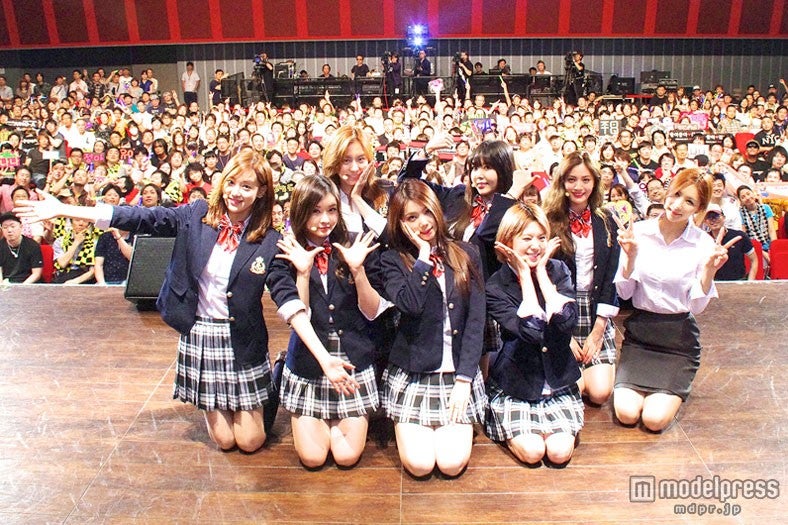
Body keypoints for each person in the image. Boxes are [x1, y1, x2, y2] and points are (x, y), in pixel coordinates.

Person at [14, 148, 280, 452]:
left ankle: (273, 378)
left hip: (242, 338)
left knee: (250, 442)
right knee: (225, 441)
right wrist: (65, 209)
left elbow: (283, 287)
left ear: (261, 192)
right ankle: (219, 398)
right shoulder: (196, 215)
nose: (235, 192)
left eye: (246, 186)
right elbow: (140, 216)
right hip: (201, 333)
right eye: (231, 182)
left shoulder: (268, 238)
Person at [267, 175, 389, 468]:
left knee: (346, 457)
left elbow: (372, 311)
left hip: (352, 358)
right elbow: (298, 317)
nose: (325, 219)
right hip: (309, 360)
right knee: (313, 458)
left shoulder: (355, 244)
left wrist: (358, 271)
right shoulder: (285, 251)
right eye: (315, 211)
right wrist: (302, 273)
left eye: (332, 210)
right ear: (300, 211)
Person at [613, 168, 739, 432]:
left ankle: (675, 385)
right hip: (640, 336)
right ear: (667, 192)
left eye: (689, 201)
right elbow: (624, 294)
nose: (677, 205)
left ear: (699, 208)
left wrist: (709, 270)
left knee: (654, 420)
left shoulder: (703, 244)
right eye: (676, 194)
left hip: (678, 341)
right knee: (626, 414)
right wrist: (630, 258)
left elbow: (696, 307)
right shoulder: (638, 232)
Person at [379, 179, 487, 476]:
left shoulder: (467, 253)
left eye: (427, 211)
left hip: (457, 375)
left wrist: (465, 379)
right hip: (415, 374)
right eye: (412, 217)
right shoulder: (392, 261)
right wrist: (423, 258)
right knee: (420, 464)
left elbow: (476, 321)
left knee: (451, 464)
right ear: (400, 223)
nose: (423, 222)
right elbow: (410, 304)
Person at [485, 202, 582, 465]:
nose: (536, 246)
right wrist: (526, 277)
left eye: (541, 238)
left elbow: (566, 323)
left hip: (558, 379)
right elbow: (531, 331)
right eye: (526, 238)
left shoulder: (558, 270)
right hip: (517, 382)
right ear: (508, 241)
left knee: (559, 453)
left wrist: (541, 273)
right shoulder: (495, 286)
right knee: (533, 452)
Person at [543, 153, 620, 405]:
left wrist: (598, 331)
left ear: (595, 182)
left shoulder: (606, 220)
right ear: (562, 183)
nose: (579, 186)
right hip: (561, 311)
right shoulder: (549, 221)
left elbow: (611, 277)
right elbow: (544, 278)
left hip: (595, 310)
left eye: (586, 179)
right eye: (572, 179)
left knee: (599, 394)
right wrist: (564, 336)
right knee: (574, 389)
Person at [702, 203, 757, 281]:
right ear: (705, 221)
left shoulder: (739, 236)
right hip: (713, 283)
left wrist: (750, 282)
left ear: (724, 218)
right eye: (709, 217)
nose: (713, 219)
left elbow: (754, 260)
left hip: (738, 281)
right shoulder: (703, 239)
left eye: (716, 216)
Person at [0, 212, 43, 283]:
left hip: (29, 283)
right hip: (7, 283)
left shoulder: (33, 245)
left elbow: (36, 274)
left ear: (21, 227)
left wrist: (22, 287)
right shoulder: (1, 246)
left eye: (13, 226)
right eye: (5, 227)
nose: (9, 230)